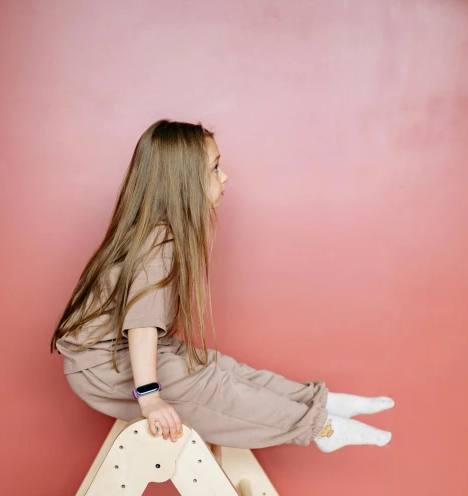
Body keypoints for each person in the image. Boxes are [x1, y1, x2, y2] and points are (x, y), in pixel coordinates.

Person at [51, 119, 394, 452]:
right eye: (215, 169)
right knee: (206, 384)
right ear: (184, 182)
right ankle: (322, 427)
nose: (224, 176)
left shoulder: (159, 232)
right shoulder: (159, 244)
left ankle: (319, 401)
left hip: (117, 355)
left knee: (215, 366)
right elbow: (141, 327)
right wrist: (150, 397)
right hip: (102, 368)